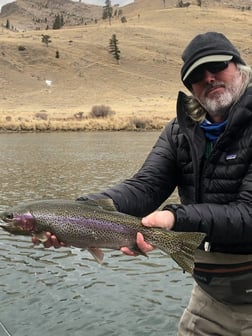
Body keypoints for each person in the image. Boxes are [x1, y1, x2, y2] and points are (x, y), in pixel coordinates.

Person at [33, 32, 252, 335]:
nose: (209, 77)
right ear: (190, 86)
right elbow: (145, 187)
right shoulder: (179, 131)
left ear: (240, 67)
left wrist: (176, 218)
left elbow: (248, 214)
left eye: (217, 66)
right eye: (197, 74)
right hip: (212, 297)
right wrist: (80, 212)